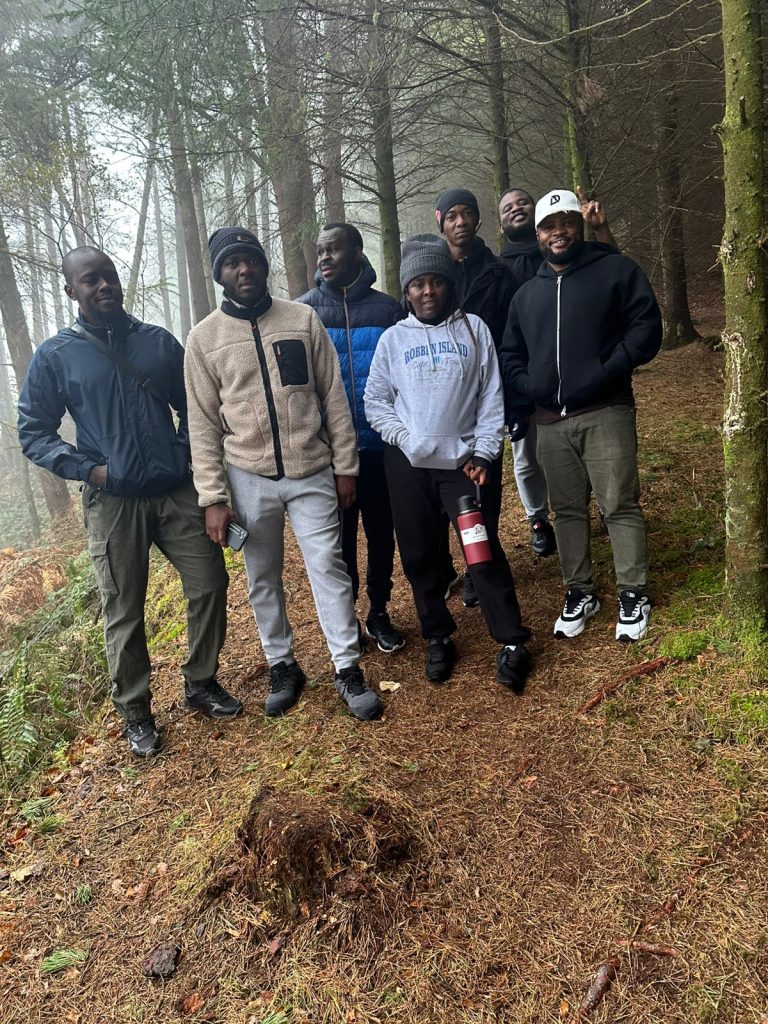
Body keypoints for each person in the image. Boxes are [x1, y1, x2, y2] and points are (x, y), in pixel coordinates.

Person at [17, 246, 237, 758]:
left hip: (175, 492)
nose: (104, 286)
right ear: (72, 290)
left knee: (209, 582)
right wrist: (92, 470)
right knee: (124, 610)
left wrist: (182, 454)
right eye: (90, 280)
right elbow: (34, 431)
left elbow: (197, 408)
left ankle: (200, 681)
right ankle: (136, 712)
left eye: (109, 276)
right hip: (113, 501)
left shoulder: (156, 342)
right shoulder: (56, 356)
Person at [184, 226, 382, 721]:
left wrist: (346, 466)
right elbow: (202, 425)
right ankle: (283, 665)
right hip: (247, 475)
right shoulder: (204, 340)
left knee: (329, 567)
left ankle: (347, 667)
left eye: (250, 259)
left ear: (263, 264)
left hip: (311, 468)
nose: (244, 269)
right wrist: (213, 496)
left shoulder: (301, 319)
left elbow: (333, 396)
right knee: (262, 577)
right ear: (220, 274)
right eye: (232, 263)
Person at [365, 235, 531, 691]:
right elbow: (375, 402)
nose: (428, 291)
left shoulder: (474, 330)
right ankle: (438, 635)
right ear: (407, 291)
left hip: (464, 467)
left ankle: (511, 639)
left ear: (449, 284)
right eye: (418, 284)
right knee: (418, 553)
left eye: (436, 281)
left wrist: (484, 452)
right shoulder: (393, 340)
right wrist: (406, 439)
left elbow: (491, 397)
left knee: (481, 550)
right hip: (409, 466)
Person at [500, 190, 662, 642]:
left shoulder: (614, 271)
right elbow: (510, 353)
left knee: (619, 504)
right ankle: (579, 591)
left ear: (580, 225)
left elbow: (646, 327)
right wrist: (531, 387)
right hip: (550, 422)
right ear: (538, 235)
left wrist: (609, 370)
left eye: (567, 222)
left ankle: (633, 593)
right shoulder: (527, 294)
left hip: (606, 409)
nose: (559, 233)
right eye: (549, 226)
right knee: (567, 510)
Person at [296, 223, 405, 654]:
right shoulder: (304, 313)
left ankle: (379, 611)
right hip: (329, 454)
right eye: (320, 251)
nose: (324, 258)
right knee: (338, 544)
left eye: (333, 250)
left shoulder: (388, 309)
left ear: (357, 252)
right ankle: (348, 619)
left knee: (381, 534)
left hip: (381, 446)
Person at [498, 185, 618, 558]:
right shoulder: (497, 268)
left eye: (522, 202)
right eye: (507, 207)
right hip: (525, 379)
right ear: (500, 223)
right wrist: (516, 381)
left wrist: (600, 229)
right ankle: (538, 520)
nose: (516, 208)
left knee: (584, 445)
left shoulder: (564, 248)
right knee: (526, 456)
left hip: (577, 374)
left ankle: (600, 506)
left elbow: (613, 274)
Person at [434, 187, 515, 608]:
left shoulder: (499, 273)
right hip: (440, 396)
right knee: (442, 486)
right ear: (440, 222)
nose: (460, 221)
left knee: (485, 485)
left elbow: (512, 335)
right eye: (452, 215)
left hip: (487, 393)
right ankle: (446, 565)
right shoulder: (430, 272)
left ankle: (478, 568)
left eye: (467, 214)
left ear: (479, 221)